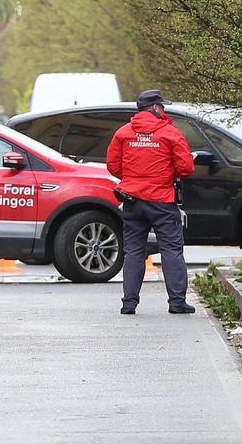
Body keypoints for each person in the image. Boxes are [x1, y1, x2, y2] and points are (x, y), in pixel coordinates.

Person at [106, 89, 195, 315]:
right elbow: (186, 168)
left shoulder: (123, 133)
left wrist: (134, 178)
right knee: (171, 250)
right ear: (155, 108)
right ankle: (177, 302)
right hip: (163, 201)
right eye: (162, 106)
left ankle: (129, 303)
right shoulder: (171, 134)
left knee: (133, 251)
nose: (164, 110)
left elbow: (113, 166)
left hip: (133, 200)